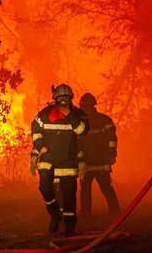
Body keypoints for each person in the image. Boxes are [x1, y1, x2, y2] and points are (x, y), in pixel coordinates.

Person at [30, 83, 89, 236]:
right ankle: (55, 214)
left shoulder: (78, 115)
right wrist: (38, 149)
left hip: (68, 160)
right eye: (60, 99)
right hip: (48, 159)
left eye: (66, 99)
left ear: (71, 99)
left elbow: (82, 131)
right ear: (55, 99)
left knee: (69, 195)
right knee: (45, 188)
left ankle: (69, 225)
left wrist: (69, 115)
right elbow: (36, 130)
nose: (63, 102)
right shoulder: (44, 114)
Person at [78, 92, 120, 217]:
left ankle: (86, 213)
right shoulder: (105, 120)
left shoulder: (79, 123)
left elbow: (76, 143)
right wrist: (112, 155)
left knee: (85, 189)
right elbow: (112, 140)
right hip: (102, 162)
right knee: (106, 187)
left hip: (86, 163)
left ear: (82, 106)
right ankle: (115, 210)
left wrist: (79, 160)